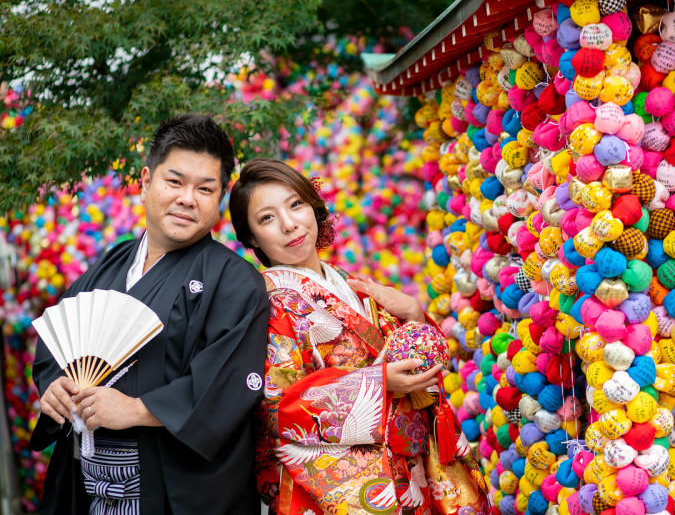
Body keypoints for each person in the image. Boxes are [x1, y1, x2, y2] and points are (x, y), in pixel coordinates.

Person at [31, 114, 270, 515]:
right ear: (145, 182)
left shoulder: (236, 282)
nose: (187, 198)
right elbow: (57, 346)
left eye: (205, 189)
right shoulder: (107, 268)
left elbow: (229, 384)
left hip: (170, 490)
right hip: (90, 489)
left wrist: (137, 409)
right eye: (174, 182)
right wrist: (54, 387)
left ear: (219, 199)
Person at [229, 158, 489, 515]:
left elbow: (412, 355)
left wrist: (413, 314)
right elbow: (276, 407)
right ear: (251, 237)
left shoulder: (347, 281)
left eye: (295, 205)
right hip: (361, 476)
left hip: (408, 468)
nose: (289, 224)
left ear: (313, 207)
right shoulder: (270, 302)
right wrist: (380, 384)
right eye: (267, 218)